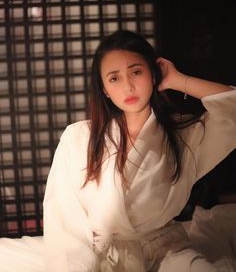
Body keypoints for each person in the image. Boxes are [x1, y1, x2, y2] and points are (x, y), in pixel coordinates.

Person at [43, 30, 236, 272]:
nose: (128, 86)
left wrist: (178, 80)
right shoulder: (78, 138)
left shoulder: (183, 135)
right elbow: (64, 219)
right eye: (114, 78)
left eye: (136, 72)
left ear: (153, 75)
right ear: (104, 89)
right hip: (107, 257)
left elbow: (233, 111)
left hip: (167, 250)